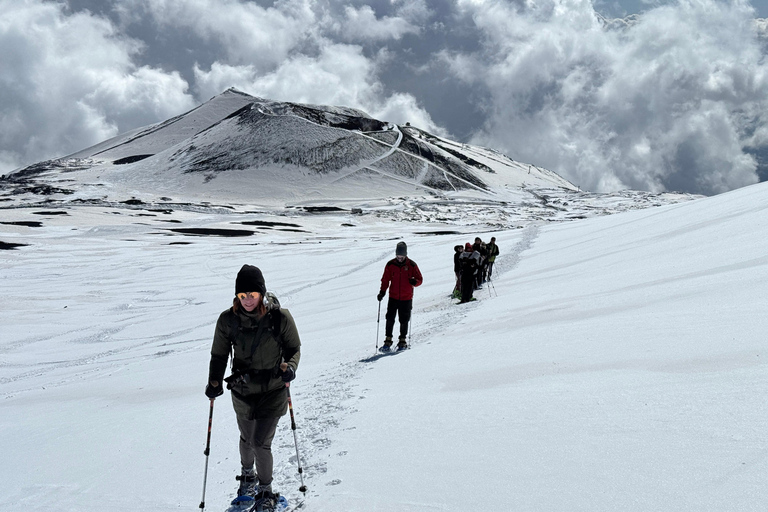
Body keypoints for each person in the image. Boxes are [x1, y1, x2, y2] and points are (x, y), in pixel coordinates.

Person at [205, 264, 301, 511]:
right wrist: (214, 381)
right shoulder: (228, 321)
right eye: (242, 295)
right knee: (247, 439)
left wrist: (290, 367)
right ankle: (247, 478)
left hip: (273, 389)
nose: (247, 300)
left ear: (261, 293)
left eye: (252, 294)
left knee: (260, 443)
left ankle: (266, 491)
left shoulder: (279, 317)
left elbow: (293, 348)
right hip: (243, 391)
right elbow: (219, 354)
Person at [377, 242, 423, 351]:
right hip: (393, 297)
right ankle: (388, 340)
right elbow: (385, 279)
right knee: (390, 318)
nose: (399, 258)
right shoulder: (390, 264)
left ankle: (402, 340)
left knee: (404, 319)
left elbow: (420, 279)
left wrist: (414, 282)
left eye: (401, 257)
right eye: (398, 256)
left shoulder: (412, 265)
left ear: (405, 255)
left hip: (406, 298)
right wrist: (382, 292)